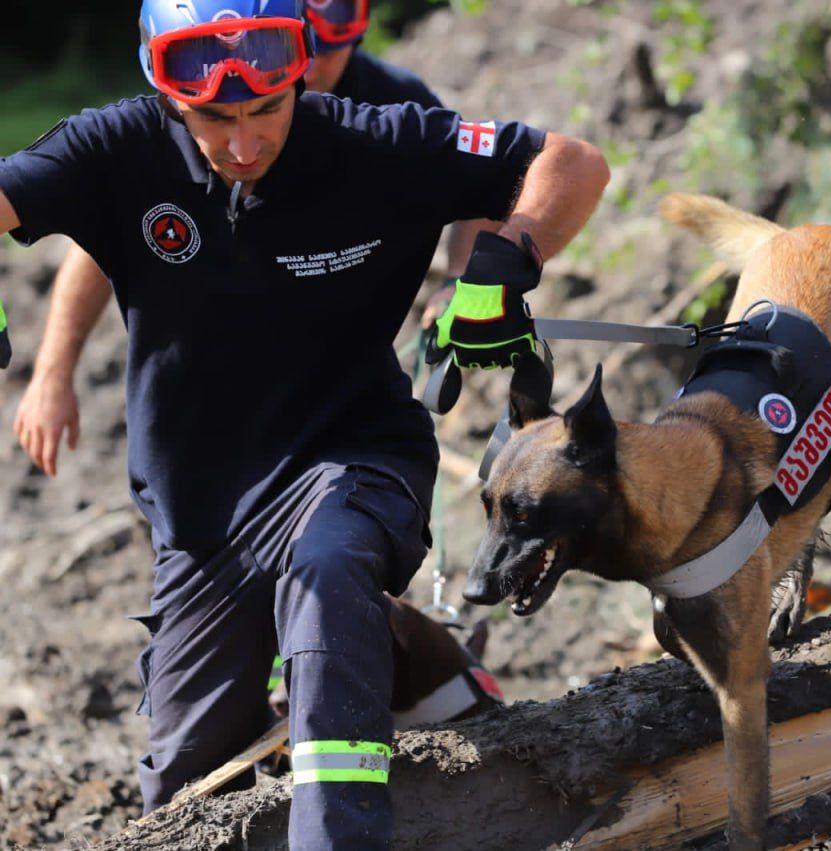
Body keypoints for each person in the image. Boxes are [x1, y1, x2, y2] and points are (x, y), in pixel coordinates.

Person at [0, 1, 609, 848]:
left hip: (351, 454)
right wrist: (47, 369)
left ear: (298, 78)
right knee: (187, 789)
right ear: (167, 94)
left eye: (267, 110)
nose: (245, 143)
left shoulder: (375, 138)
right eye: (217, 117)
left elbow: (569, 162)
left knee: (325, 571)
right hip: (202, 517)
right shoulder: (114, 149)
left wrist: (506, 263)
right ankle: (419, 662)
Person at [13, 0, 486, 477]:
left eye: (333, 32)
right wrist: (53, 373)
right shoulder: (194, 112)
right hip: (204, 400)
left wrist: (462, 279)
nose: (318, 58)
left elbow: (479, 184)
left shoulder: (393, 105)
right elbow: (102, 235)